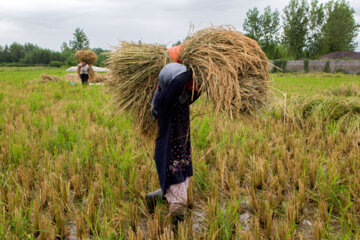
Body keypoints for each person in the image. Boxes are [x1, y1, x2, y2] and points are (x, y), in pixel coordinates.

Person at [146, 63, 200, 223]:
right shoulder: (163, 101)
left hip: (181, 150)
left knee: (183, 181)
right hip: (169, 153)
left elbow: (196, 92)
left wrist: (205, 75)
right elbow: (176, 84)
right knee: (180, 199)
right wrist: (192, 70)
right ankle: (176, 227)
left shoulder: (182, 98)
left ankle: (154, 198)